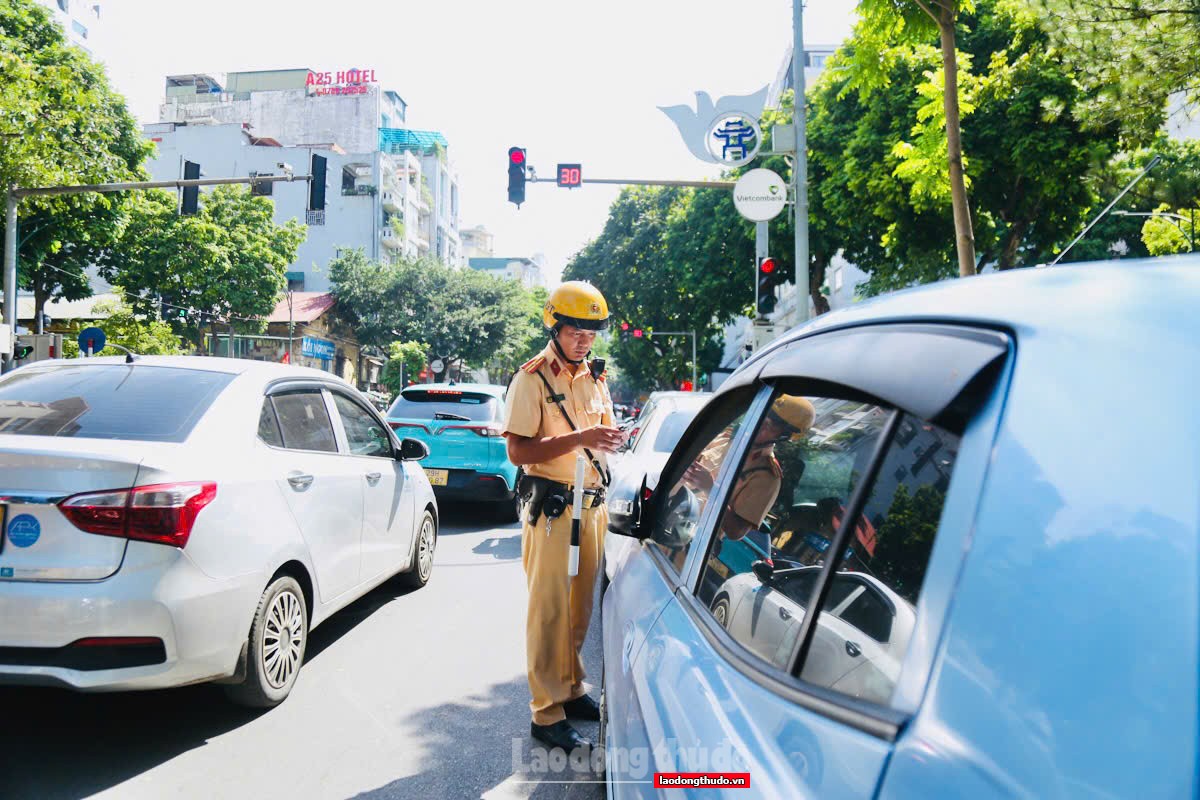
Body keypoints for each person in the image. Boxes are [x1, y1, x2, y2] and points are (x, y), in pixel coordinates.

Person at [502, 280, 625, 752]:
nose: (584, 339)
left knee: (578, 610)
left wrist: (609, 439)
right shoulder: (532, 378)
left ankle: (571, 688)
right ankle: (545, 713)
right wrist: (581, 439)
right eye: (576, 330)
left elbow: (600, 433)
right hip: (552, 508)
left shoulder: (596, 377)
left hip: (590, 504)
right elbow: (517, 450)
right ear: (555, 325)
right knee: (549, 612)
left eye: (592, 331)